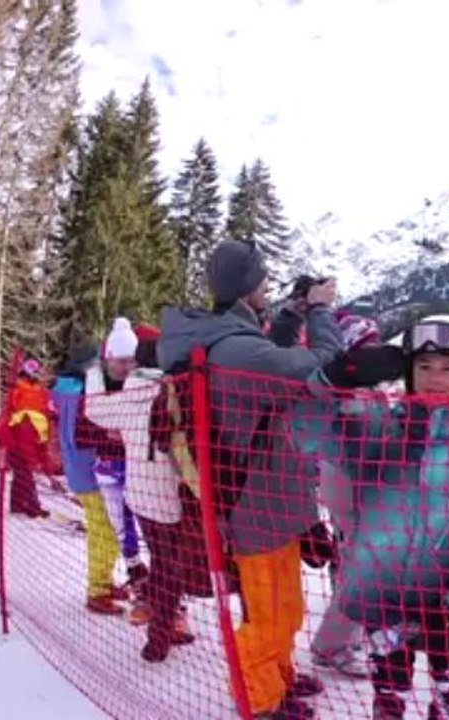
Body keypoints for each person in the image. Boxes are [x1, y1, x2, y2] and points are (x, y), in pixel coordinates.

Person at [291, 314, 449, 720]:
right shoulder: (377, 430)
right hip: (383, 596)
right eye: (425, 367)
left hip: (448, 603)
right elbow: (305, 433)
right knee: (388, 696)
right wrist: (328, 382)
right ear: (409, 372)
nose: (435, 378)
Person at [158, 239, 342, 720]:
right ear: (248, 285)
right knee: (265, 616)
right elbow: (321, 360)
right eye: (263, 278)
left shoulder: (227, 337)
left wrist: (294, 312)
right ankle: (260, 703)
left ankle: (277, 679)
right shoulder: (236, 348)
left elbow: (265, 349)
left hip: (269, 500)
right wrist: (321, 313)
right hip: (254, 506)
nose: (268, 285)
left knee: (286, 608)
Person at [86, 326, 199, 662]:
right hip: (170, 501)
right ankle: (164, 629)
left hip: (140, 497)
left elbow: (92, 409)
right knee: (171, 568)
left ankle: (160, 629)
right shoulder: (171, 394)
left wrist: (94, 371)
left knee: (164, 565)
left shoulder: (124, 399)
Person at [310, 310, 383, 678]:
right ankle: (332, 645)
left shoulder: (362, 389)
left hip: (351, 484)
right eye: (370, 346)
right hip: (349, 486)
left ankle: (344, 638)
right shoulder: (347, 392)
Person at [51, 342, 132, 615]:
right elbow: (83, 433)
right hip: (90, 471)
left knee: (105, 528)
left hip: (78, 467)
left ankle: (105, 582)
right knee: (104, 530)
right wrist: (110, 435)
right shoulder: (83, 393)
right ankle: (98, 590)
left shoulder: (64, 390)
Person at [87, 318, 150, 603]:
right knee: (122, 529)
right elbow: (82, 427)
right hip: (108, 468)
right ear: (110, 358)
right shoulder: (95, 386)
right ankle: (138, 581)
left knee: (151, 529)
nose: (126, 367)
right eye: (121, 361)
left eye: (131, 361)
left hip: (140, 468)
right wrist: (104, 430)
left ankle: (157, 593)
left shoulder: (140, 385)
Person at [5, 357, 52, 518]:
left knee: (22, 472)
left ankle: (18, 504)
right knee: (23, 471)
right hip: (20, 433)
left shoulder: (37, 389)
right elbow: (14, 409)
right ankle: (31, 506)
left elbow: (44, 408)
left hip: (31, 434)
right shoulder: (20, 388)